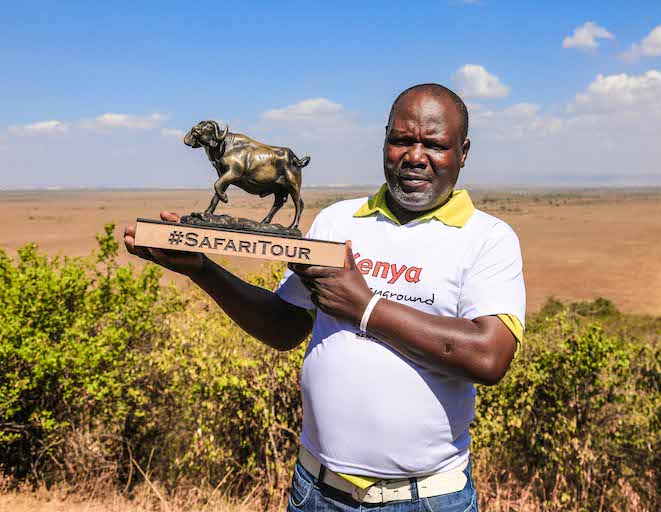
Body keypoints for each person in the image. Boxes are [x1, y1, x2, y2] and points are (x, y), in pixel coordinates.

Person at [124, 83, 526, 511]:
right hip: (316, 490)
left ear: (463, 152)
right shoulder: (338, 221)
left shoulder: (488, 238)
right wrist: (202, 270)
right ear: (385, 141)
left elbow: (489, 357)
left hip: (425, 497)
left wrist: (365, 307)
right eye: (401, 140)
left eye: (434, 144)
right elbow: (285, 327)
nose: (414, 156)